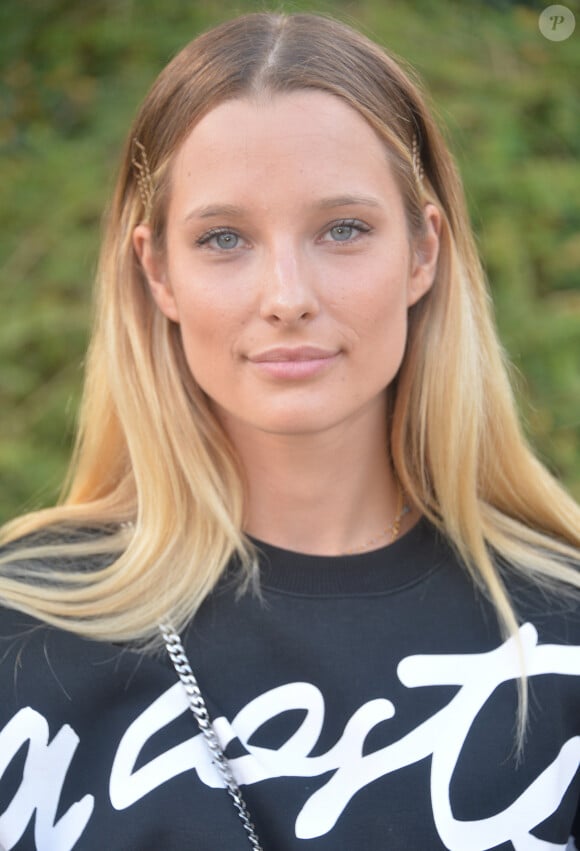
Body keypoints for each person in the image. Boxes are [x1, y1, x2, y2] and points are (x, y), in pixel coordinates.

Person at [0, 11, 578, 851]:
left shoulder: (560, 634)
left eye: (343, 229)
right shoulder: (22, 629)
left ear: (423, 251)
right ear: (158, 269)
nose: (286, 295)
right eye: (224, 238)